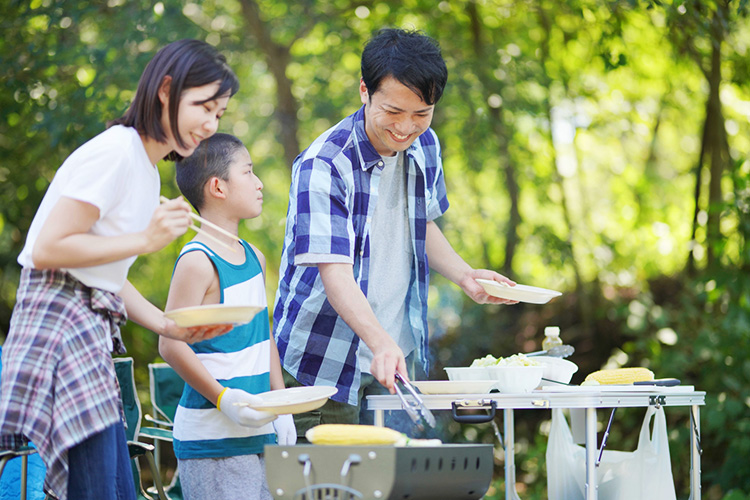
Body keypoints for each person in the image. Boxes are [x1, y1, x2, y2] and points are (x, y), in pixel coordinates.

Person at [0, 39, 240, 500]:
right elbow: (48, 248)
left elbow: (105, 272)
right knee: (99, 489)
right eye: (203, 107)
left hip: (85, 332)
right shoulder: (116, 151)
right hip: (58, 327)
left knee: (112, 487)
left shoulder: (146, 171)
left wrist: (169, 326)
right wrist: (146, 241)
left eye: (220, 113)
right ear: (166, 91)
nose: (209, 125)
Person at [272, 28, 517, 438]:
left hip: (396, 357)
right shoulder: (324, 165)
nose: (406, 127)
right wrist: (379, 341)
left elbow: (421, 224)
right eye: (394, 111)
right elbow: (335, 274)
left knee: (397, 481)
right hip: (323, 360)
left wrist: (465, 275)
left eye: (421, 113)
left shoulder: (425, 146)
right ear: (365, 91)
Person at [160, 133, 296, 500]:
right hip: (212, 441)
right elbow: (170, 344)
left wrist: (281, 405)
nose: (259, 183)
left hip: (261, 433)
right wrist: (224, 399)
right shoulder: (197, 261)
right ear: (218, 186)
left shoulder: (254, 256)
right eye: (249, 172)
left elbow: (262, 333)